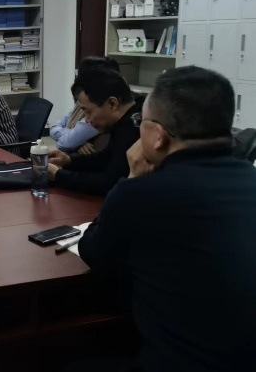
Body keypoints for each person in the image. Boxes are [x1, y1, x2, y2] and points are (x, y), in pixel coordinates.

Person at [78, 66, 256, 371]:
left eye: (141, 122)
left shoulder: (139, 194)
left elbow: (92, 251)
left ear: (158, 136)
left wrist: (132, 177)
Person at [47, 68, 140, 196]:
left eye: (88, 112)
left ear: (112, 104)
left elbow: (109, 182)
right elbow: (106, 158)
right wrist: (68, 160)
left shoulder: (135, 127)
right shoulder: (125, 121)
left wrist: (58, 175)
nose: (87, 120)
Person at [50, 56, 120, 153]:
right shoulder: (83, 103)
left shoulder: (98, 114)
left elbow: (63, 144)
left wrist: (74, 140)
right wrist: (76, 138)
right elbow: (54, 128)